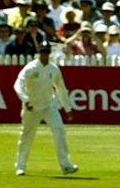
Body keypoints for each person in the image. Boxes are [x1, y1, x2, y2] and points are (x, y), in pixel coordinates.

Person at [13, 44, 78, 176]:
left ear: (49, 53)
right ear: (39, 53)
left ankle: (66, 165)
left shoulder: (53, 69)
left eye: (46, 52)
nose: (44, 55)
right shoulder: (31, 68)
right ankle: (21, 166)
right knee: (26, 135)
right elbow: (18, 84)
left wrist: (67, 108)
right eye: (42, 52)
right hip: (32, 107)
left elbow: (61, 88)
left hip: (49, 105)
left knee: (59, 130)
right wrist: (26, 100)